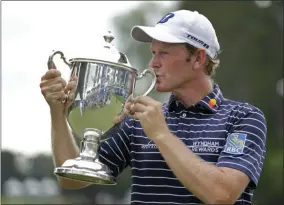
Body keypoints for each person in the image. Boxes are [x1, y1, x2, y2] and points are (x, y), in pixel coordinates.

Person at [40, 9, 267, 205]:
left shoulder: (243, 118)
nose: (153, 63)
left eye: (164, 53)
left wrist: (160, 134)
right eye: (153, 53)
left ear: (198, 58)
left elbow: (222, 195)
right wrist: (57, 112)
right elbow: (72, 178)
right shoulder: (138, 122)